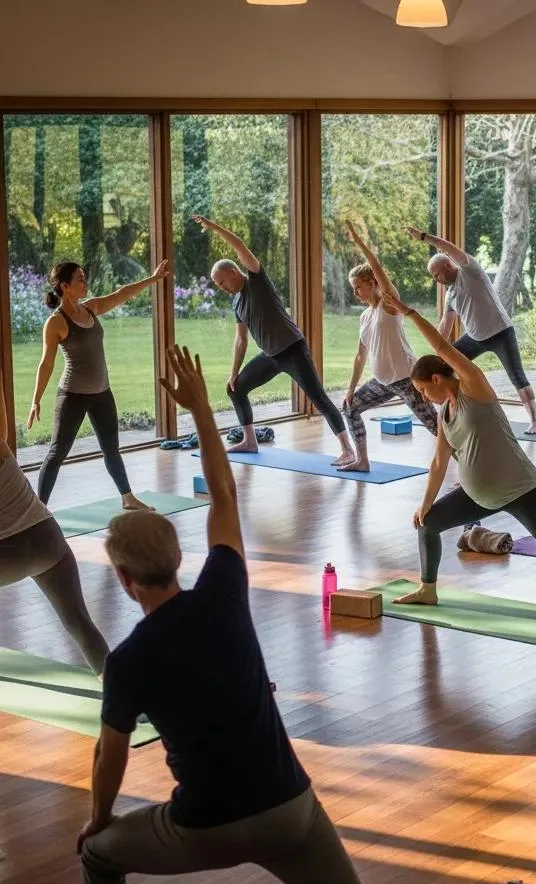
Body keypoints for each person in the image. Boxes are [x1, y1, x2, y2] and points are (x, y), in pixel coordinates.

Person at [57, 346, 454, 884]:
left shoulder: (129, 658)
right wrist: (203, 410)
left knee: (99, 857)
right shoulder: (224, 589)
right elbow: (226, 490)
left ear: (124, 580)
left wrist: (98, 819)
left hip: (206, 828)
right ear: (181, 560)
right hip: (293, 810)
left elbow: (111, 756)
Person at [380, 293, 536, 638]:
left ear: (437, 378)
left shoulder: (474, 389)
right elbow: (438, 462)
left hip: (522, 490)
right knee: (428, 524)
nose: (423, 397)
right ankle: (428, 589)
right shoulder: (444, 414)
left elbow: (443, 349)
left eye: (422, 389)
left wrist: (409, 312)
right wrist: (425, 504)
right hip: (477, 496)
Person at [195, 215, 355, 466]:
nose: (221, 287)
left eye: (222, 281)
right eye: (217, 285)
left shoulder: (257, 282)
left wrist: (214, 228)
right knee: (236, 390)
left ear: (233, 271)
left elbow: (240, 247)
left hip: (292, 350)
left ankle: (348, 449)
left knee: (319, 397)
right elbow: (240, 341)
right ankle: (249, 441)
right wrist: (233, 373)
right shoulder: (236, 301)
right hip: (270, 356)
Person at [30, 259, 170, 509]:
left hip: (102, 394)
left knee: (111, 450)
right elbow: (46, 364)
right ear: (65, 286)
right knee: (56, 453)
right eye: (80, 279)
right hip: (72, 396)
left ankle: (128, 498)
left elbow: (121, 294)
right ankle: (39, 509)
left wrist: (153, 279)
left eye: (84, 277)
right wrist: (35, 400)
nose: (85, 282)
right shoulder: (56, 322)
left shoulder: (91, 308)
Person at [0, 365, 108, 677]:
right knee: (79, 623)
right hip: (48, 544)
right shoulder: (2, 446)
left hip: (4, 558)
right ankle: (123, 697)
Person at [406, 225, 536, 434]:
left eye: (437, 274)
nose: (437, 280)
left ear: (448, 266)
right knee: (443, 366)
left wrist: (423, 237)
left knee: (517, 376)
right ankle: (454, 407)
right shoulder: (450, 294)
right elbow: (446, 322)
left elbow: (448, 247)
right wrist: (438, 352)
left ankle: (535, 421)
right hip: (474, 338)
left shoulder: (470, 271)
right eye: (434, 277)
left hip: (501, 333)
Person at [340, 221, 438, 472]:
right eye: (353, 290)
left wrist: (358, 241)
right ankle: (362, 461)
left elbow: (375, 265)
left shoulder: (389, 304)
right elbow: (360, 356)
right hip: (382, 381)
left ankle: (470, 469)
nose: (356, 293)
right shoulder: (365, 317)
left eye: (358, 287)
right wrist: (351, 389)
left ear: (372, 283)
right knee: (350, 408)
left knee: (436, 426)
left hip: (407, 379)